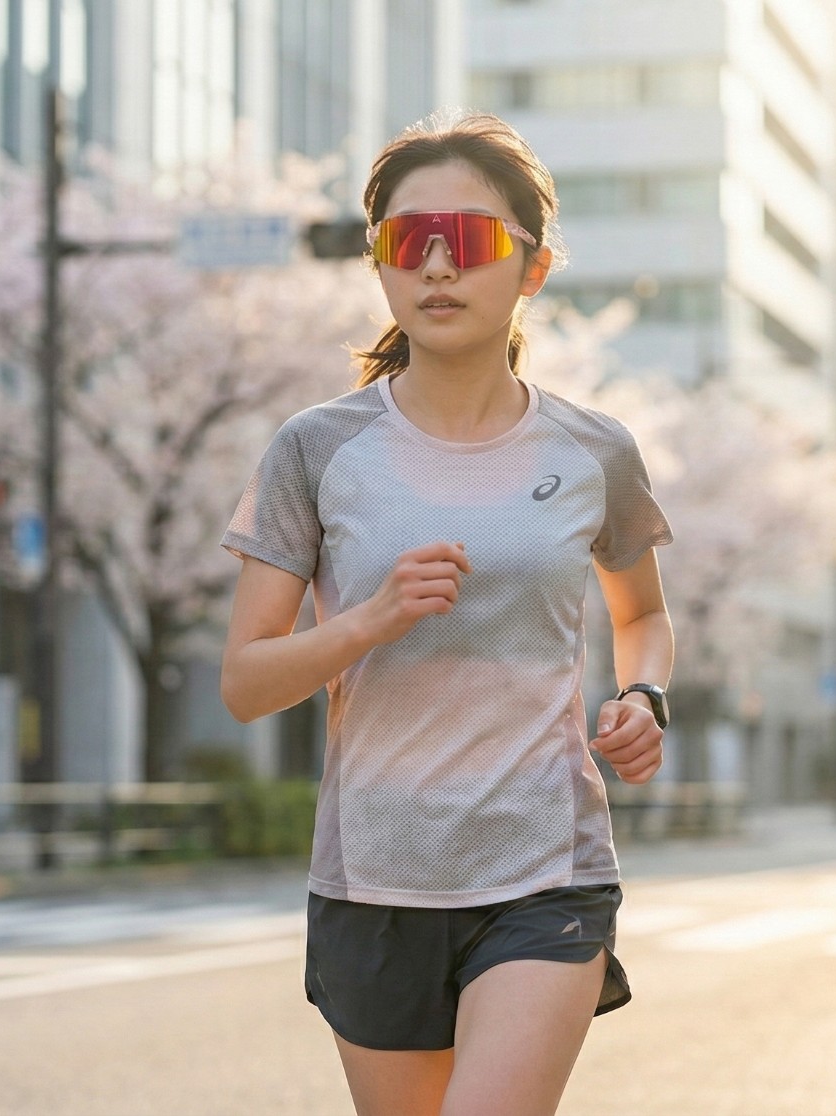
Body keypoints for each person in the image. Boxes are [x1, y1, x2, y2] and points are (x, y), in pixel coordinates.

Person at [219, 111, 675, 1116]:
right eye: (405, 240)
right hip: (374, 879)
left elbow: (641, 613)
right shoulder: (315, 449)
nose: (435, 265)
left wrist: (643, 695)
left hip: (545, 871)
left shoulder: (594, 451)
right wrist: (367, 620)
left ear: (532, 266)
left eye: (465, 239)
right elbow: (245, 683)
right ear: (379, 264)